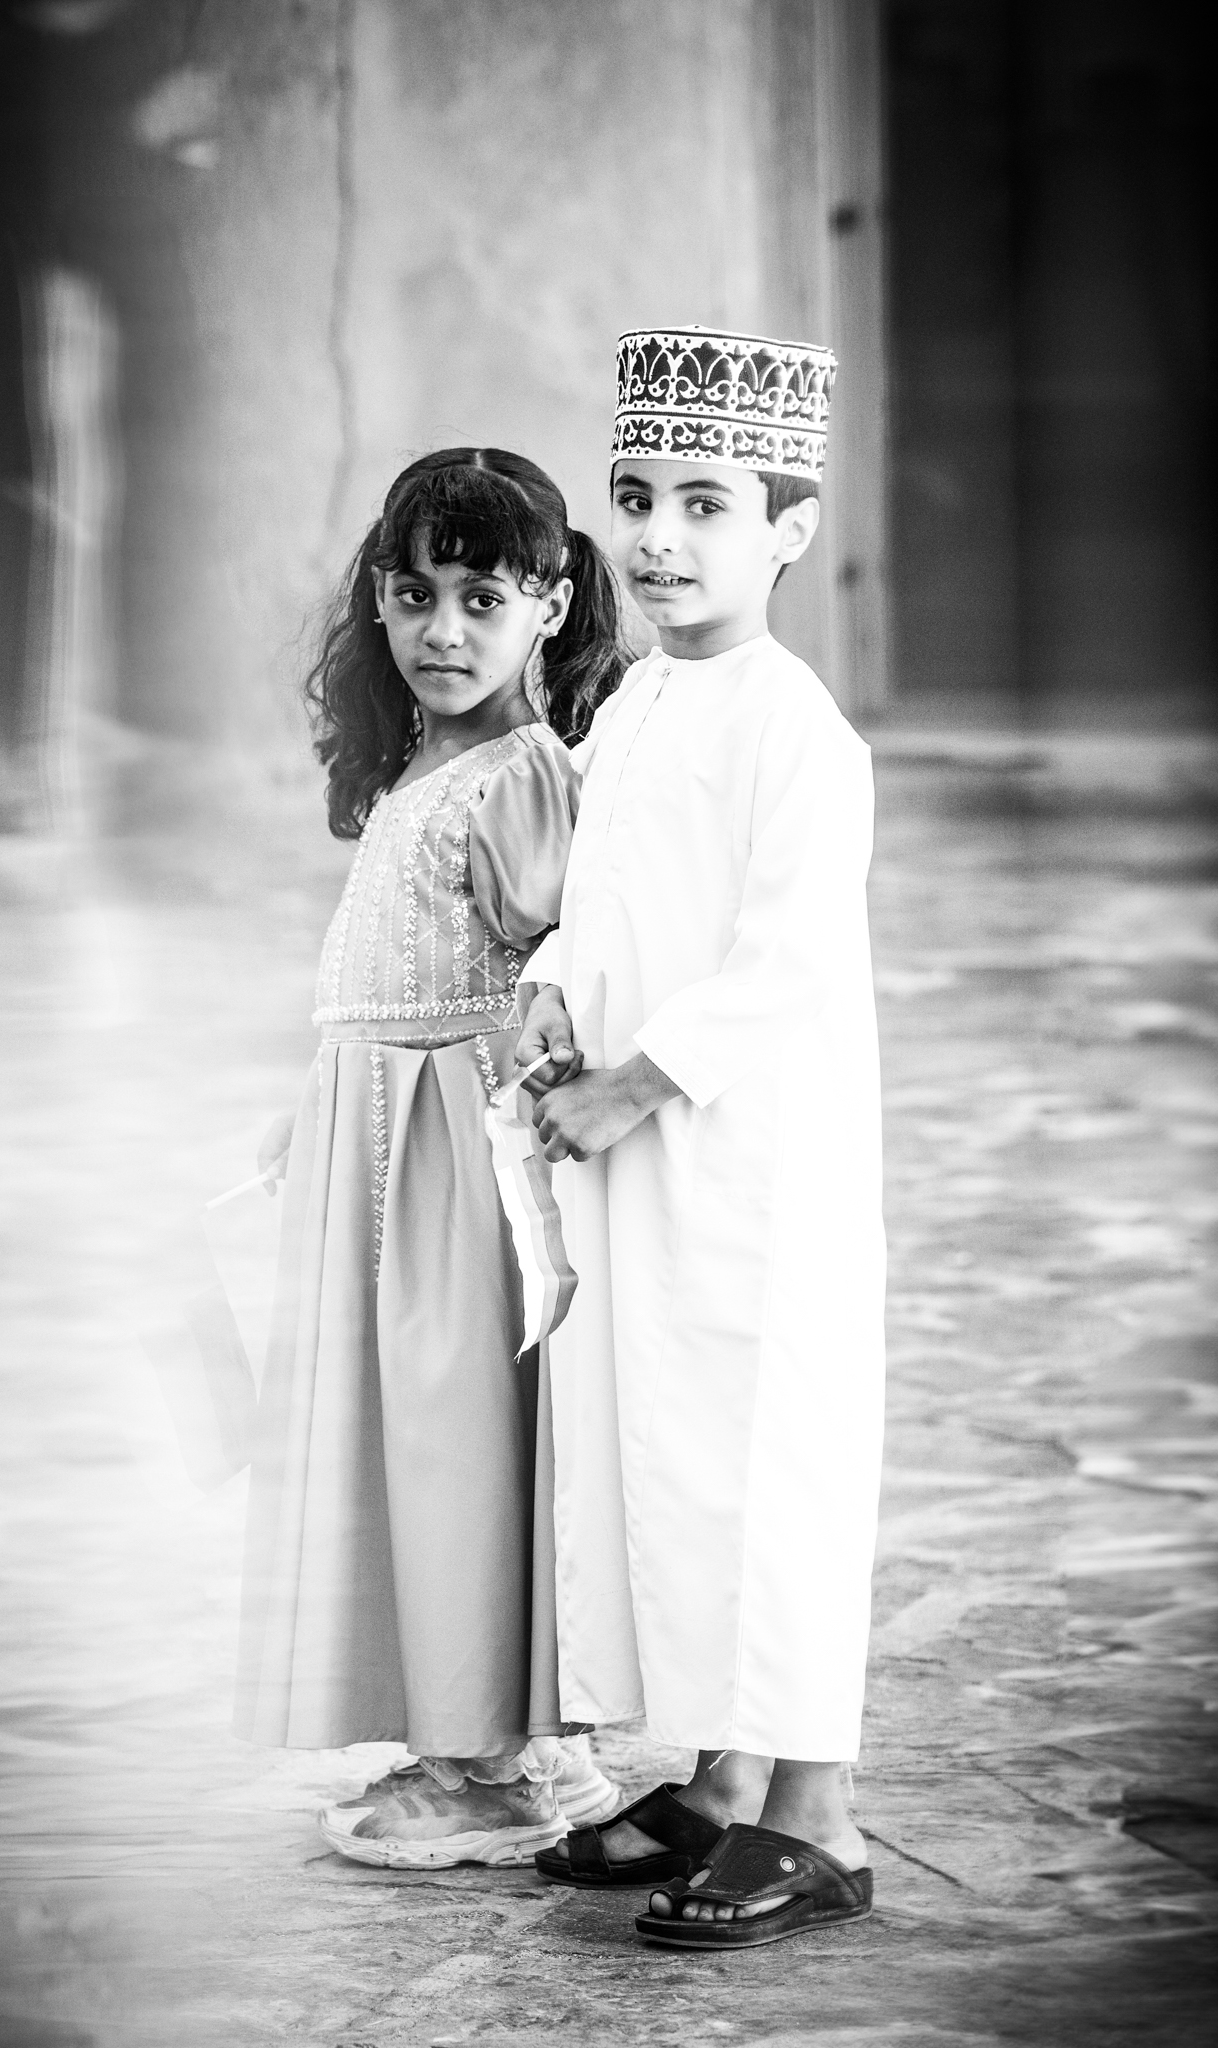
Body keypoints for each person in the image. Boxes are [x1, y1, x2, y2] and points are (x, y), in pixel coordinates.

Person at [515, 328, 886, 1947]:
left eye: (707, 504)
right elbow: (602, 892)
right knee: (677, 1459)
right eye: (637, 498)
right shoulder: (644, 698)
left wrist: (629, 1087)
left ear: (790, 528)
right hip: (652, 1160)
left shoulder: (796, 727)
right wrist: (548, 986)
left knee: (771, 1467)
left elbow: (786, 961)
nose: (660, 538)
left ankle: (820, 1816)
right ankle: (726, 1782)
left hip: (753, 1167)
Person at [236, 447, 631, 1866]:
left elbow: (563, 964)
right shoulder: (427, 764)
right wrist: (322, 1098)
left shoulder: (521, 776)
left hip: (455, 1154)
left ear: (551, 606)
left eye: (483, 599)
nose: (443, 631)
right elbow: (393, 968)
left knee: (458, 1442)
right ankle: (497, 1740)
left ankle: (491, 1767)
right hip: (382, 1136)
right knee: (409, 1443)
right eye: (414, 596)